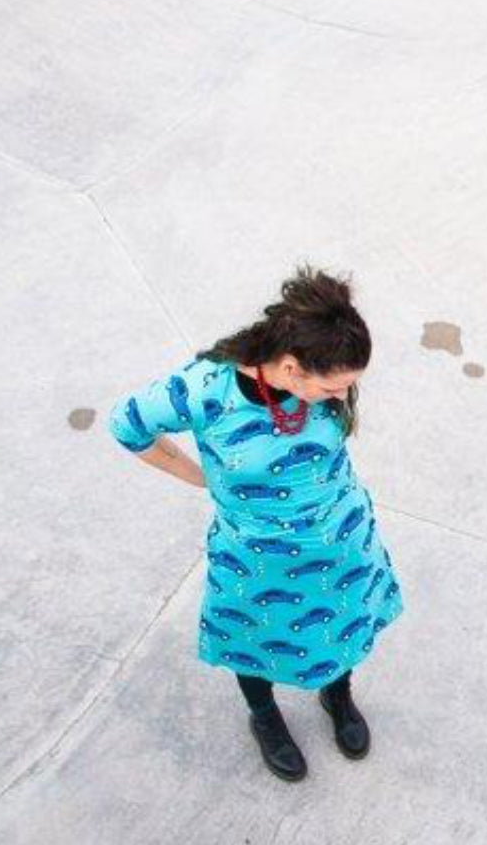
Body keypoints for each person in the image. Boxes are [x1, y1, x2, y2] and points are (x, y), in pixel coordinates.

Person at [107, 264, 405, 782]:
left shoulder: (324, 378)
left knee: (342, 618)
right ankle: (265, 717)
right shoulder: (204, 390)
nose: (341, 398)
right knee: (253, 634)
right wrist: (195, 475)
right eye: (332, 389)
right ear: (290, 367)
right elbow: (126, 423)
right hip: (257, 555)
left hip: (341, 540)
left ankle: (336, 693)